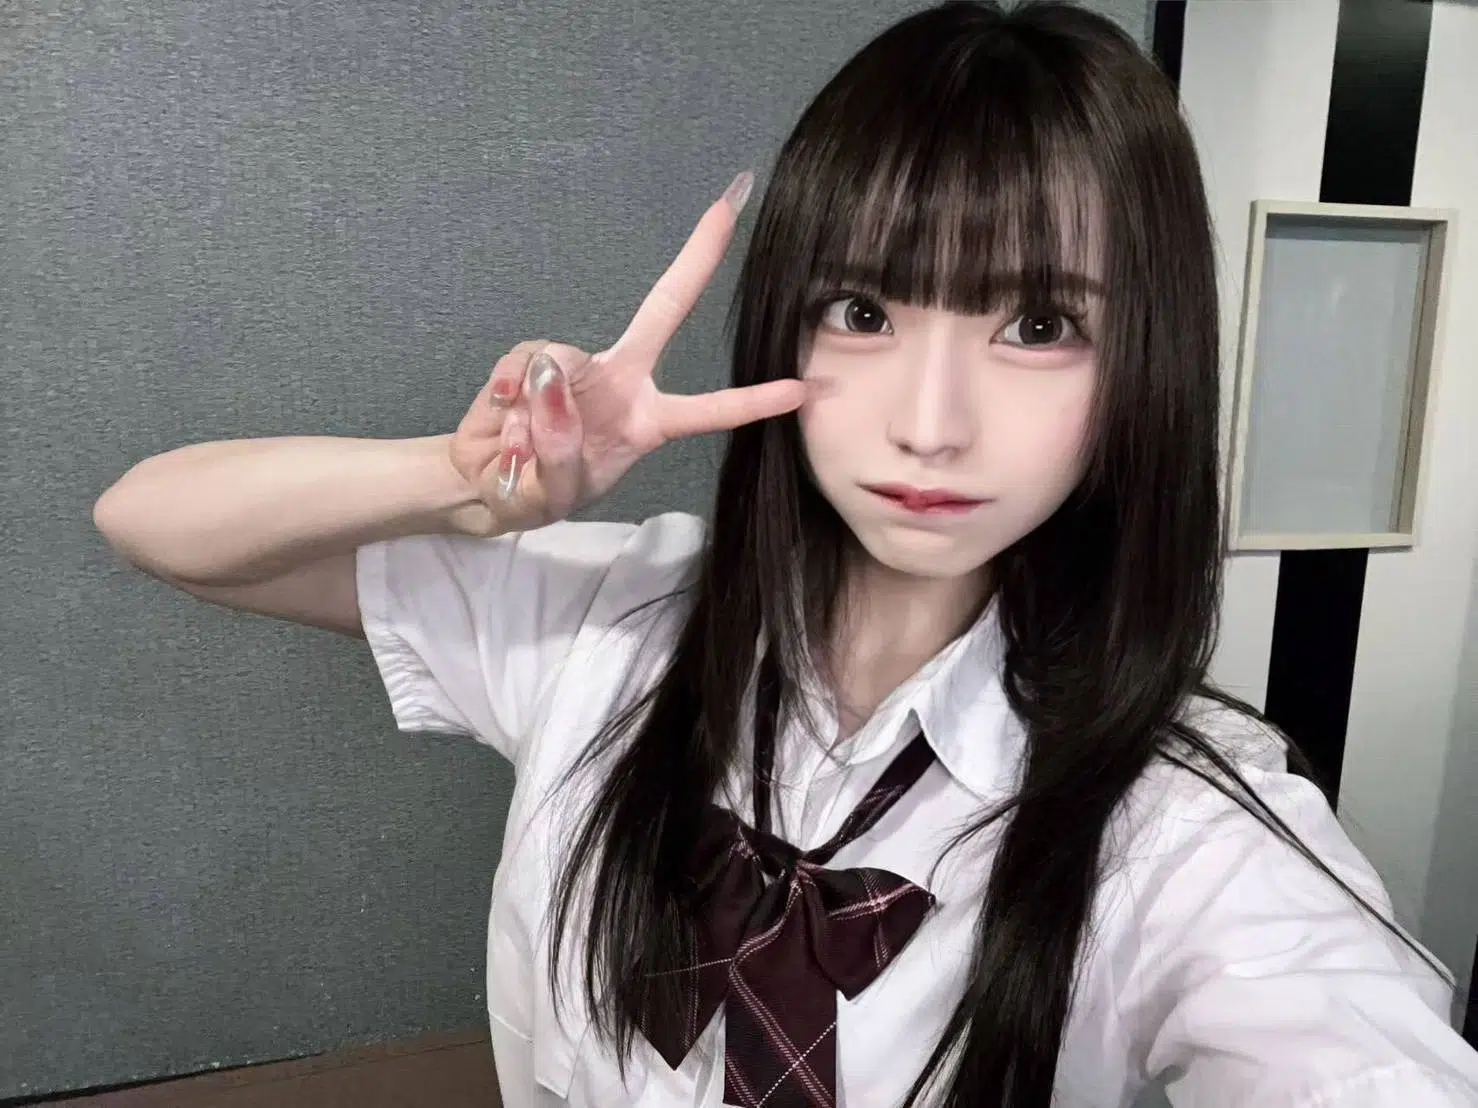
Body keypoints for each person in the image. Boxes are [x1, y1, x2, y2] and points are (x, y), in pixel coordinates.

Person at [92, 2, 1478, 1105]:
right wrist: (466, 491)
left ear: (1143, 365)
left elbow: (1344, 1041)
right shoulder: (613, 620)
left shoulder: (1181, 826)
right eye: (864, 311)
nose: (930, 423)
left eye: (1039, 326)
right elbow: (153, 522)